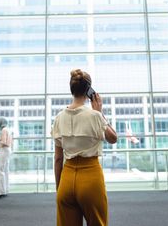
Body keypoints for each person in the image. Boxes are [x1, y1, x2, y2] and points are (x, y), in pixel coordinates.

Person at [51, 69, 117, 226]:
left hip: (66, 178)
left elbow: (58, 158)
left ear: (71, 89)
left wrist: (59, 188)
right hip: (90, 177)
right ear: (89, 91)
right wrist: (100, 112)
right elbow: (113, 138)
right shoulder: (94, 116)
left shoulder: (59, 118)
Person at [0, 117, 12, 199]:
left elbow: (4, 142)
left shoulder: (3, 130)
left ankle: (0, 192)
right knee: (5, 170)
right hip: (8, 150)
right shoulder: (8, 129)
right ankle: (5, 190)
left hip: (4, 150)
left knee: (0, 170)